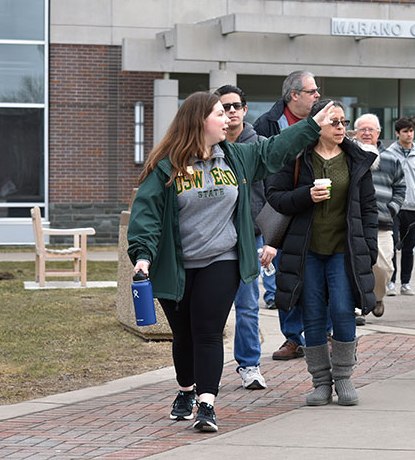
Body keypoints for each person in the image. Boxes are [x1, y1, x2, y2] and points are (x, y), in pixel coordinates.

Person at [128, 92, 334, 431]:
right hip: (176, 266)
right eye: (219, 113)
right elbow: (146, 216)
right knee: (184, 335)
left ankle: (207, 403)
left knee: (208, 332)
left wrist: (311, 125)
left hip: (222, 258)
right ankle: (186, 390)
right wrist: (142, 257)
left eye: (228, 113)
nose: (227, 119)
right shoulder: (166, 165)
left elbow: (274, 150)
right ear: (199, 121)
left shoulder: (235, 157)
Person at [266, 100, 378, 406]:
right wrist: (306, 195)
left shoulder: (357, 160)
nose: (342, 128)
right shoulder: (298, 158)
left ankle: (343, 377)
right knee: (313, 315)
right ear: (318, 126)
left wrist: (368, 248)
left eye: (344, 122)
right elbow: (275, 197)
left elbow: (369, 209)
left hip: (343, 252)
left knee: (343, 312)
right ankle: (320, 382)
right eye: (335, 123)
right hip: (306, 252)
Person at [253, 70, 321, 360]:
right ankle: (293, 338)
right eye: (312, 91)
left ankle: (324, 334)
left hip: (318, 206)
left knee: (320, 275)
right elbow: (260, 166)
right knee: (286, 277)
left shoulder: (323, 119)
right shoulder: (267, 124)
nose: (317, 96)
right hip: (282, 207)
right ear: (294, 95)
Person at [215, 84, 270, 390]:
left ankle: (249, 365)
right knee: (211, 308)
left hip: (251, 239)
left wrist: (270, 239)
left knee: (248, 306)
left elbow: (273, 196)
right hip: (215, 241)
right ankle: (201, 369)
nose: (232, 111)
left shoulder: (259, 146)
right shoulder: (209, 148)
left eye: (237, 106)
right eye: (225, 107)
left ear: (245, 110)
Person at [353, 113, 406, 319]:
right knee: (357, 265)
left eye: (371, 129)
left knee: (383, 267)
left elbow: (401, 187)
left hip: (382, 224)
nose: (366, 133)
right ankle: (358, 307)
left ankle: (377, 296)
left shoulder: (391, 159)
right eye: (362, 130)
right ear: (356, 133)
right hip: (355, 223)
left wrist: (391, 209)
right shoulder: (350, 158)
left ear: (378, 133)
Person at [385, 117, 415, 297]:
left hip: (413, 207)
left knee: (409, 247)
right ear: (397, 133)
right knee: (392, 245)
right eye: (405, 131)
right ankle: (391, 282)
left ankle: (406, 282)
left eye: (411, 131)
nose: (409, 134)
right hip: (394, 207)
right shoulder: (389, 153)